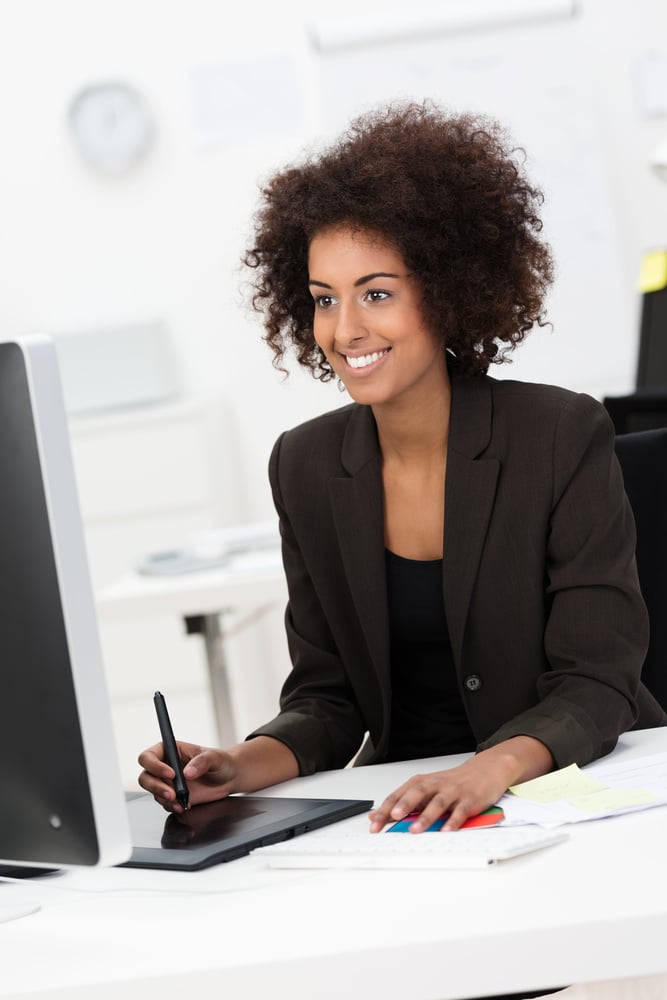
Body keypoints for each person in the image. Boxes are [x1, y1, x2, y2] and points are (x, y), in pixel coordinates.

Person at [138, 100, 666, 837]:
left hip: (572, 791)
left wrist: (486, 769)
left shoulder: (557, 432)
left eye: (376, 293)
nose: (345, 329)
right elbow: (328, 698)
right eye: (325, 299)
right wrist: (240, 762)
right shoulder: (306, 464)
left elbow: (597, 682)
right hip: (407, 810)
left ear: (446, 294)